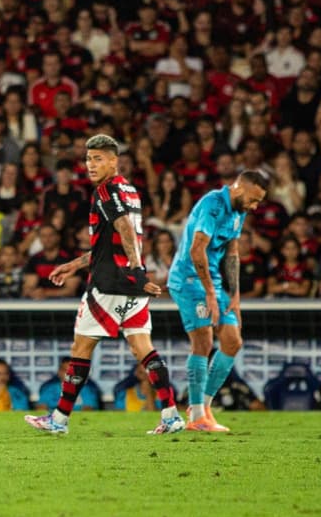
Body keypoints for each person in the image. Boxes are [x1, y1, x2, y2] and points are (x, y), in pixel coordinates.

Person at [25, 135, 184, 435]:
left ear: (114, 161)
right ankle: (171, 414)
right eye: (88, 159)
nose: (91, 165)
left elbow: (124, 229)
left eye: (98, 159)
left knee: (81, 348)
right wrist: (74, 265)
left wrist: (137, 270)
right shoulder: (130, 190)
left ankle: (59, 419)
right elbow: (112, 243)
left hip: (109, 286)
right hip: (132, 288)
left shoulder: (106, 190)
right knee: (143, 348)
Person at [168, 171, 269, 432]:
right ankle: (196, 415)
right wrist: (210, 293)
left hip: (213, 280)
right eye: (253, 199)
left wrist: (233, 295)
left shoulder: (239, 210)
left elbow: (232, 252)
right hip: (189, 279)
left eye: (258, 202)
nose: (254, 206)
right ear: (238, 188)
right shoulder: (212, 205)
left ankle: (204, 407)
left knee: (233, 341)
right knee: (203, 341)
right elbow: (196, 249)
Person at [37, 357, 101, 411]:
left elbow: (88, 409)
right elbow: (41, 408)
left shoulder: (85, 389)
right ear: (59, 372)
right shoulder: (50, 389)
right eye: (65, 370)